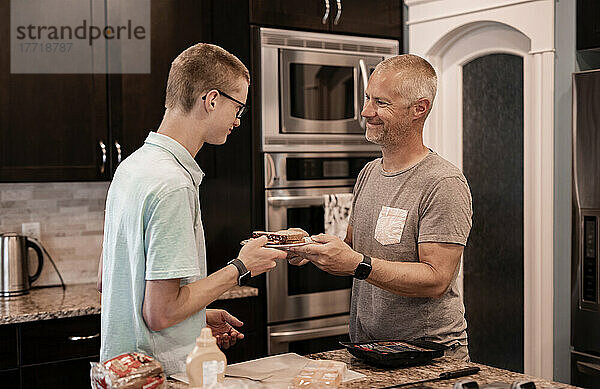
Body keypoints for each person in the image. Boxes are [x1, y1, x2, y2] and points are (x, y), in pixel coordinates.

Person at [97, 43, 287, 376]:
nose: (238, 121)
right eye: (238, 108)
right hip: (160, 376)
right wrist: (242, 266)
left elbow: (108, 279)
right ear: (211, 100)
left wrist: (195, 318)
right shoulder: (173, 184)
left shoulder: (132, 167)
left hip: (123, 374)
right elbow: (160, 313)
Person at [289, 54, 473, 360]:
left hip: (428, 355)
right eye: (367, 98)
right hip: (369, 350)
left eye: (381, 103)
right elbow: (351, 247)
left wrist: (358, 264)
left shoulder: (443, 182)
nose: (365, 111)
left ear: (419, 108)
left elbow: (437, 279)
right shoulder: (369, 173)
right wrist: (306, 246)